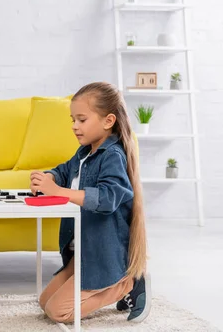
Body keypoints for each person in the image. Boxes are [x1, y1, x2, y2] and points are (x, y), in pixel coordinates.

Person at [30, 82, 151, 324]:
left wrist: (59, 192)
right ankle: (110, 282)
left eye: (81, 120)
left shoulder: (112, 156)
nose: (74, 126)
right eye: (72, 120)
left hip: (101, 254)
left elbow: (107, 198)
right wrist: (48, 178)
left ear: (108, 121)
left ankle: (127, 283)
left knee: (58, 313)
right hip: (83, 252)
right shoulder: (84, 152)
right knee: (44, 302)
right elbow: (63, 171)